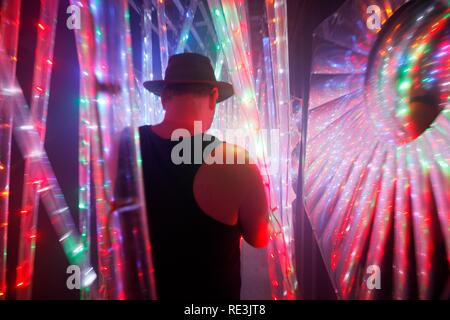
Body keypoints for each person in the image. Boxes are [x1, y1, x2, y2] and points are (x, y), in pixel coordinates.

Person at [140, 52, 269, 299]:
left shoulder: (124, 147)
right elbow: (260, 237)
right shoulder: (235, 162)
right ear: (213, 97)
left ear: (165, 97)